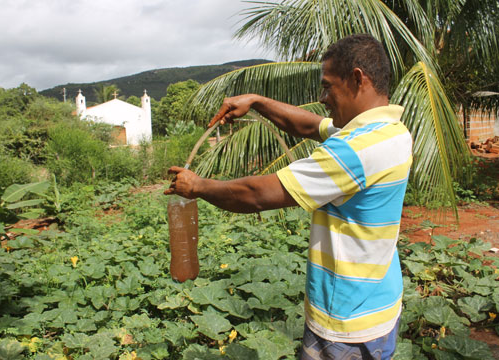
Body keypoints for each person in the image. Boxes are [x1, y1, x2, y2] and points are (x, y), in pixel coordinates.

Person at [164, 34, 412, 360]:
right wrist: (256, 101)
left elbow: (257, 195)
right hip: (379, 304)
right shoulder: (390, 132)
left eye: (328, 86)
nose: (323, 98)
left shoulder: (356, 150)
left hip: (346, 323)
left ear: (356, 79)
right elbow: (309, 126)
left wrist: (197, 187)